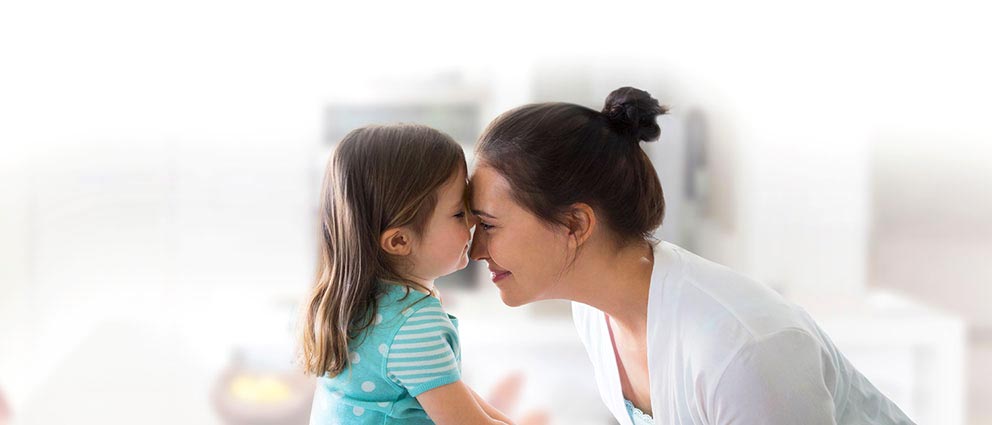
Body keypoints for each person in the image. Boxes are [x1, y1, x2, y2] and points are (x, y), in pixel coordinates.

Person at [467, 87, 915, 425]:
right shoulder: (596, 314)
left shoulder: (744, 350)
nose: (475, 250)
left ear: (576, 225)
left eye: (487, 225)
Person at [300, 124, 512, 424]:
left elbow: (447, 387)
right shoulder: (414, 323)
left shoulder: (363, 303)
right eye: (458, 213)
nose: (473, 222)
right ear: (400, 241)